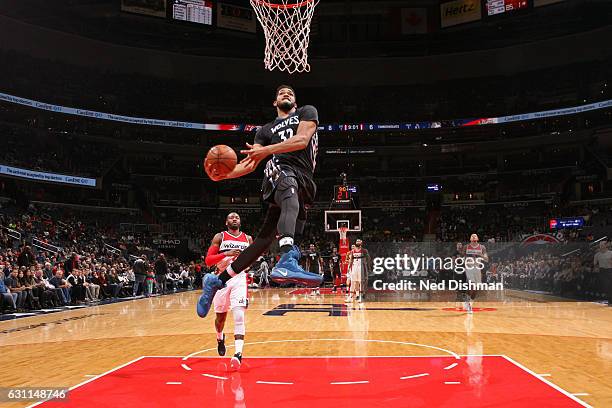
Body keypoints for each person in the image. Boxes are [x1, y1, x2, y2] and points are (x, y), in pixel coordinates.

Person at [198, 85, 323, 318]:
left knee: (262, 241)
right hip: (282, 172)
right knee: (288, 189)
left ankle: (216, 281)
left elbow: (302, 140)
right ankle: (287, 258)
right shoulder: (265, 130)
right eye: (280, 93)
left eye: (290, 93)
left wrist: (266, 150)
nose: (286, 94)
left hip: (304, 177)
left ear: (295, 102)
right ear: (274, 102)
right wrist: (225, 173)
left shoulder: (306, 112)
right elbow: (251, 162)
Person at [203, 212, 253, 369]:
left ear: (240, 221)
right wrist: (226, 254)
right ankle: (220, 337)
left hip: (239, 278)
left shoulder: (248, 239)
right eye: (231, 217)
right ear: (226, 222)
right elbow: (208, 261)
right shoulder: (220, 237)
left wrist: (246, 264)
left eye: (237, 217)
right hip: (221, 279)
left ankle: (238, 354)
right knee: (220, 319)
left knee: (239, 315)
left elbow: (252, 259)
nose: (234, 219)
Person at [458, 234, 489, 313]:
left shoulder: (482, 247)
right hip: (469, 268)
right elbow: (461, 255)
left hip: (477, 268)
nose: (474, 237)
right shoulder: (466, 247)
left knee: (476, 288)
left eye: (475, 236)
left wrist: (480, 255)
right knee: (471, 285)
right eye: (472, 236)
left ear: (478, 238)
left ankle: (469, 301)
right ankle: (469, 306)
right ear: (470, 238)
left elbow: (486, 259)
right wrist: (458, 250)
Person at [593, 240, 612, 306]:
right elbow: (595, 264)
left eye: (603, 244)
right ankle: (610, 301)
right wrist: (596, 268)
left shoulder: (610, 253)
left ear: (606, 245)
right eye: (600, 245)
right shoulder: (597, 255)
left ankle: (610, 301)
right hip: (602, 271)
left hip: (610, 270)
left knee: (610, 285)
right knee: (606, 286)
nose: (601, 246)